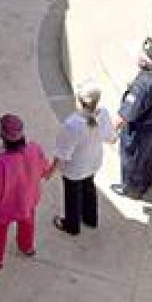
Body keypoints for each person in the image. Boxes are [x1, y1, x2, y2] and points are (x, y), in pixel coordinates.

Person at [0, 114, 52, 270]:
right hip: (28, 201)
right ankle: (26, 247)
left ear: (2, 136)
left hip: (4, 209)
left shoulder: (1, 161)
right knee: (27, 223)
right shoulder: (35, 148)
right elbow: (44, 170)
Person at [111, 38, 152, 200]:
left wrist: (108, 130)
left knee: (133, 158)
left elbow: (125, 115)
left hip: (140, 131)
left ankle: (132, 188)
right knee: (150, 154)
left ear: (145, 62)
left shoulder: (143, 85)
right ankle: (146, 181)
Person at [51, 84, 115, 235]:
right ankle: (90, 218)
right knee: (89, 187)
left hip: (75, 167)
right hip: (93, 162)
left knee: (72, 195)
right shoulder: (103, 114)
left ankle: (71, 225)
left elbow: (63, 152)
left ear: (79, 101)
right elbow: (110, 137)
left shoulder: (72, 123)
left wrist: (53, 169)